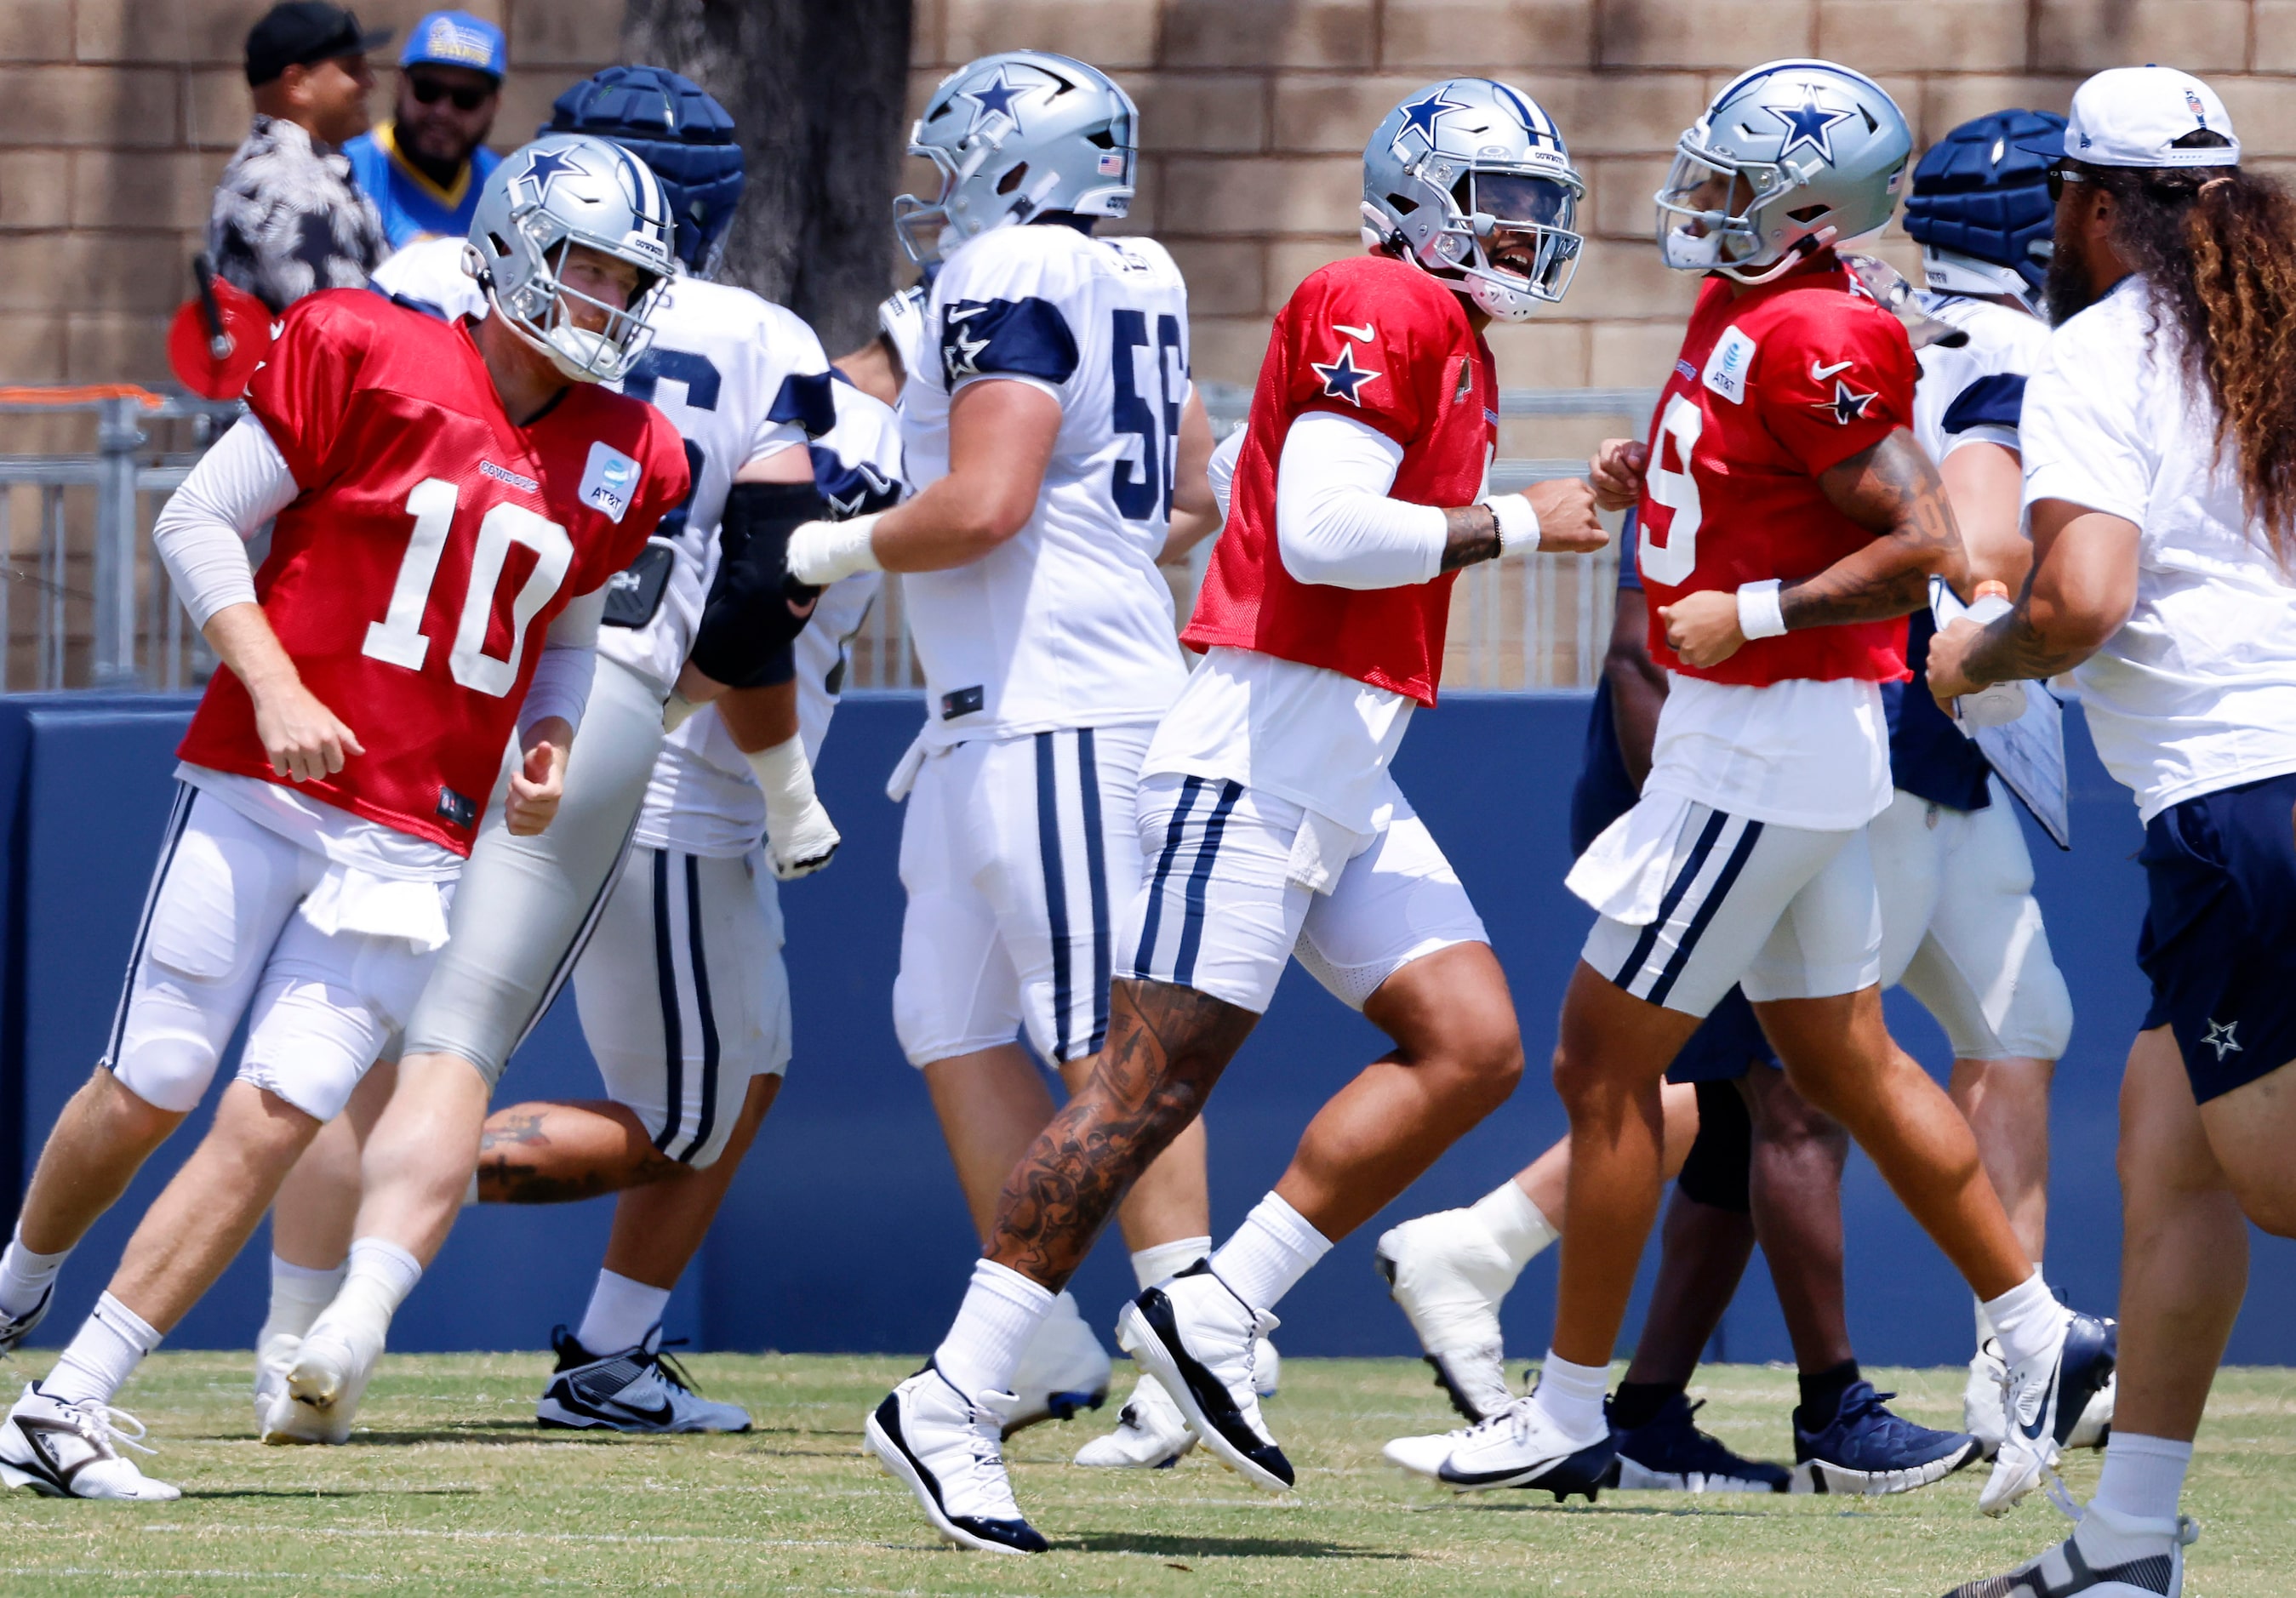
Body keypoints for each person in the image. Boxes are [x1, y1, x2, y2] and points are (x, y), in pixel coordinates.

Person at [849, 75, 1607, 1554]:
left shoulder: (1443, 328)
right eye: (1502, 201)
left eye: (1536, 207)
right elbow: (1323, 528)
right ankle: (949, 1394)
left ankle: (1224, 1295)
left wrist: (1533, 503)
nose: (1526, 233)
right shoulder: (1366, 297)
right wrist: (1524, 518)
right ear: (1419, 198)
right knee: (1137, 1090)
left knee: (1472, 1040)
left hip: (1337, 753)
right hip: (1255, 740)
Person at [1382, 60, 2109, 1517]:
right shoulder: (1750, 304)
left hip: (1762, 733)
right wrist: (1643, 467)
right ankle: (2041, 1335)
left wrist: (1759, 611)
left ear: (1812, 207)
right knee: (1841, 1059)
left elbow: (1917, 541)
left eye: (1731, 184)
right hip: (1765, 737)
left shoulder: (1830, 326)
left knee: (1599, 1068)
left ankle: (1568, 1411)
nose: (1697, 201)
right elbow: (1746, 467)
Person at [0, 132, 688, 1499]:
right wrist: (270, 685)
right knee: (154, 1083)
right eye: (589, 269)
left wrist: (545, 737)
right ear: (513, 252)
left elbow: (560, 630)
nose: (609, 303)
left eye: (629, 279)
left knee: (278, 1112)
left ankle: (68, 1404)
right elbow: (197, 521)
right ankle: (18, 1285)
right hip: (264, 787)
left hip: (411, 833)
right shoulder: (365, 345)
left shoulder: (632, 450)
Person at [251, 68, 854, 1444]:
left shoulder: (421, 270)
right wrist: (697, 709)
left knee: (349, 1030)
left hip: (403, 680)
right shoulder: (758, 333)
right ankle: (361, 1313)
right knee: (467, 1049)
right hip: (592, 700)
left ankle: (284, 1325)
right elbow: (769, 576)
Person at [774, 51, 1245, 1464]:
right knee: (948, 1014)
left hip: (1057, 702)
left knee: (1111, 1037)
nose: (934, 199)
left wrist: (835, 545)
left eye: (949, 166)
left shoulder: (1007, 272)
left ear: (1012, 163)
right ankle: (1044, 1333)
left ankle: (1185, 1335)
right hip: (1000, 705)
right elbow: (1191, 493)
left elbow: (981, 505)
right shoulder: (1139, 270)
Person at [1379, 510, 1985, 1497]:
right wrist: (1704, 825)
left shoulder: (1795, 443)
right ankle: (1835, 1408)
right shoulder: (1737, 438)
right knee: (1789, 1101)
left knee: (1734, 1122)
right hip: (1703, 811)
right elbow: (1635, 658)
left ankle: (1643, 1409)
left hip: (1749, 806)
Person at [1927, 66, 2296, 1598]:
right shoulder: (2269, 330)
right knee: (2171, 1147)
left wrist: (1976, 655)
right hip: (2250, 789)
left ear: (2087, 204)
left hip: (2240, 796)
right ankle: (2125, 1540)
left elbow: (2078, 599)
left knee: (2273, 1176)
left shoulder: (2099, 347)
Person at [1893, 108, 2099, 1452]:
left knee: (2020, 1018)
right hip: (1914, 710)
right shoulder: (2017, 345)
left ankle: (2011, 1358)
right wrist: (2020, 605)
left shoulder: (1910, 322)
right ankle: (1487, 1244)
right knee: (1776, 1057)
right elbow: (1978, 519)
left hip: (1906, 715)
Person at [210, 2, 391, 312]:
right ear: (297, 85)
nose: (369, 83)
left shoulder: (272, 168)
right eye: (352, 70)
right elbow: (343, 338)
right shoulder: (297, 189)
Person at [344, 9, 505, 250]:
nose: (442, 112)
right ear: (400, 85)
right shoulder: (346, 173)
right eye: (427, 90)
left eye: (466, 98)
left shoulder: (505, 188)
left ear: (494, 105)